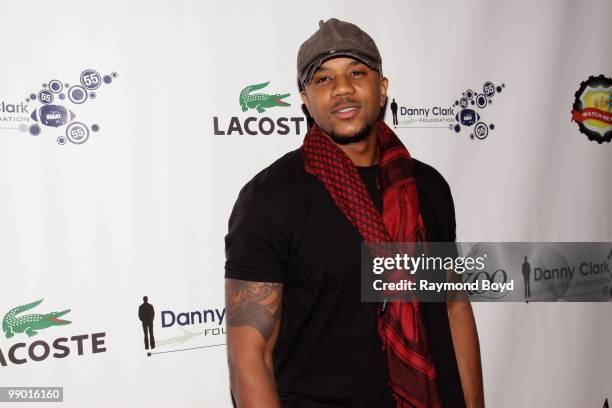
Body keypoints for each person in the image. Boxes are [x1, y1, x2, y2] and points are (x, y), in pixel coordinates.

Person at [225, 18, 484, 408]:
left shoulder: (426, 187)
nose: (342, 88)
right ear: (305, 99)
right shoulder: (271, 199)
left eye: (356, 72)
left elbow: (453, 306)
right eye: (323, 79)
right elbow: (250, 355)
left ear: (381, 90)